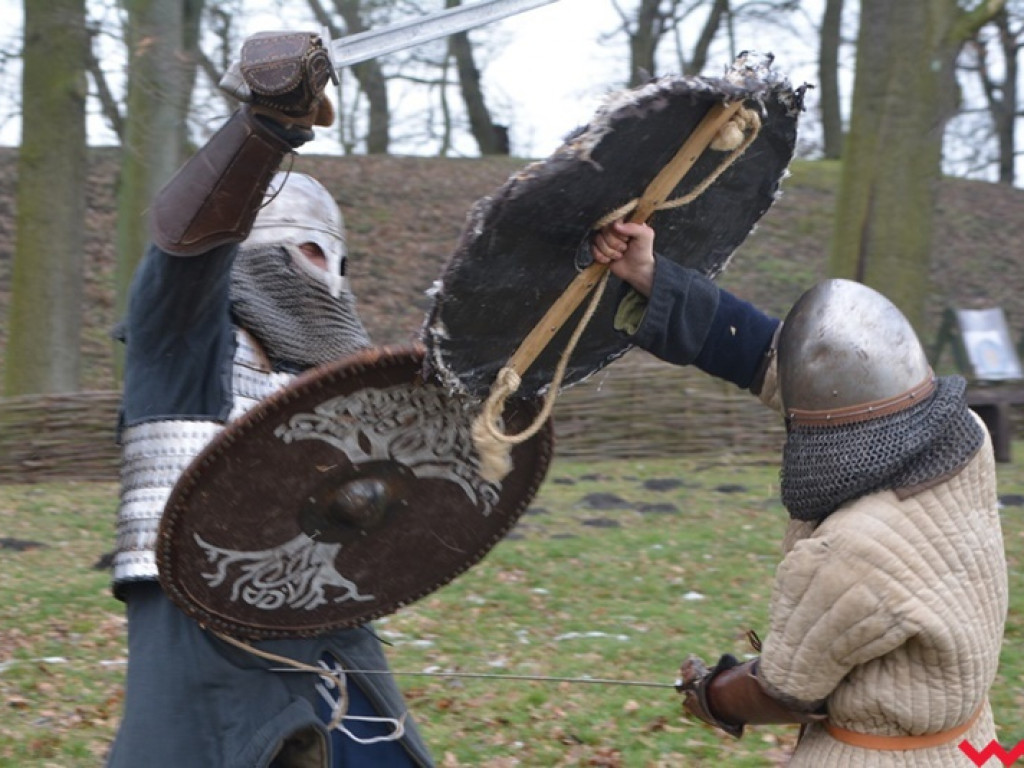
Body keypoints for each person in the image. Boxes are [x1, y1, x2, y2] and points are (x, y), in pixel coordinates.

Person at [107, 32, 433, 768]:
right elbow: (184, 255)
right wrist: (267, 127)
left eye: (335, 258)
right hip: (208, 660)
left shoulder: (338, 386)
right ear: (249, 245)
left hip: (338, 651)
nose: (327, 274)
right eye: (310, 250)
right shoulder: (183, 343)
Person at [591, 219, 1008, 766]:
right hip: (979, 745)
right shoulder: (966, 435)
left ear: (828, 431)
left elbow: (785, 686)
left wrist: (710, 693)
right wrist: (653, 276)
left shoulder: (850, 553)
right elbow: (775, 356)